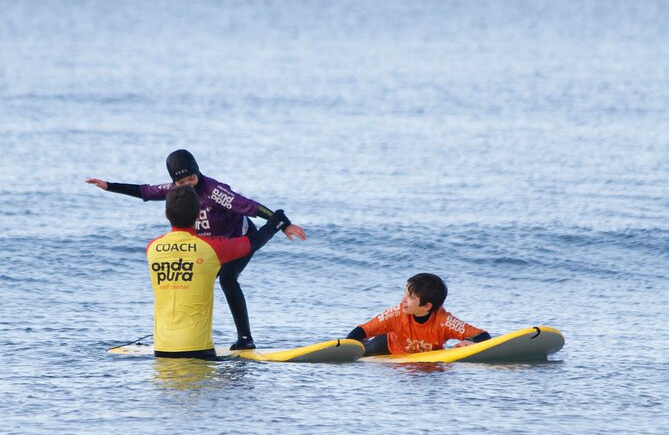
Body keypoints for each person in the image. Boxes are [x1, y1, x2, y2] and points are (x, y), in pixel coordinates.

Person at [87, 149, 306, 350]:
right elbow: (146, 191)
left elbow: (250, 206)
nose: (189, 184)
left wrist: (285, 224)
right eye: (182, 181)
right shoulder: (176, 189)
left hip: (237, 239)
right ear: (175, 181)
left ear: (198, 171)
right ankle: (182, 333)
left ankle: (246, 339)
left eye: (192, 178)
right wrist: (109, 186)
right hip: (211, 247)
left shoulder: (215, 192)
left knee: (228, 280)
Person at [147, 185, 290, 360]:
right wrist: (275, 223)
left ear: (166, 214)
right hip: (199, 351)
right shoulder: (212, 248)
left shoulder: (152, 248)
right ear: (199, 215)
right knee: (240, 381)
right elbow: (253, 242)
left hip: (161, 352)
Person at [347, 273, 491, 356]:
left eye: (410, 297)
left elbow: (483, 335)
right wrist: (345, 349)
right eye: (405, 294)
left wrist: (471, 342)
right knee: (364, 349)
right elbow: (363, 330)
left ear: (427, 306)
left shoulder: (444, 321)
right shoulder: (396, 314)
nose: (403, 300)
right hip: (384, 347)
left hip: (424, 360)